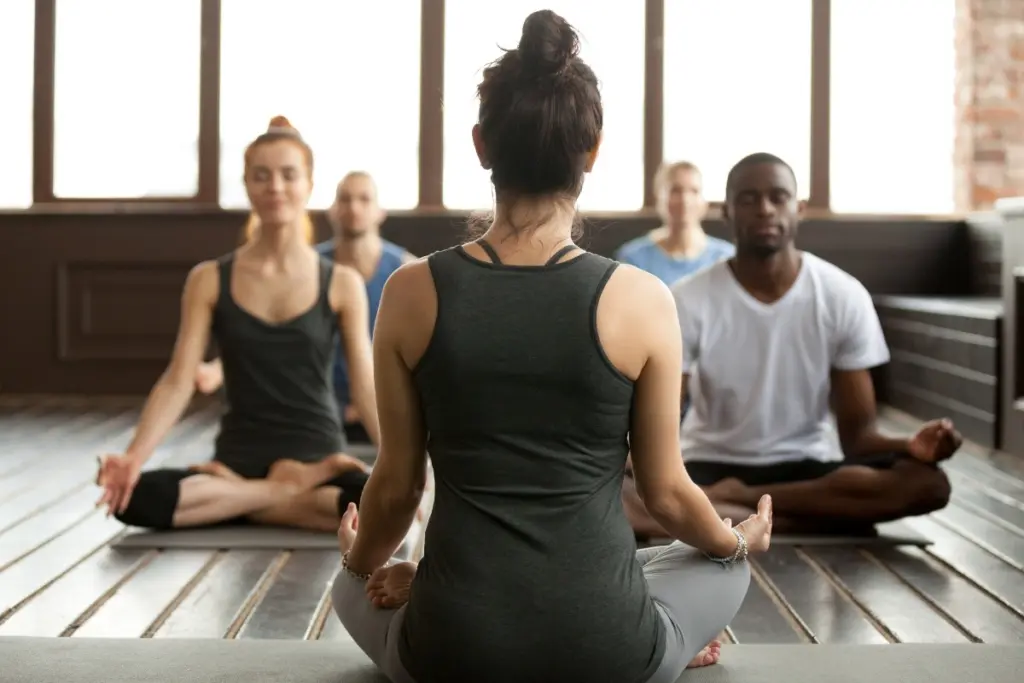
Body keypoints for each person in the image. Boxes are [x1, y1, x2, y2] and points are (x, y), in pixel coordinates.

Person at [327, 11, 773, 683]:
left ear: (481, 145)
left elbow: (395, 487)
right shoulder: (644, 297)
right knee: (716, 564)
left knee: (346, 581)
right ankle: (676, 639)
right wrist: (738, 540)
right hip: (609, 651)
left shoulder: (410, 289)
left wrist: (358, 561)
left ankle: (427, 579)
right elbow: (667, 496)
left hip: (451, 654)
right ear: (592, 150)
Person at [627, 152, 959, 538]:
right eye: (749, 199)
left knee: (928, 485)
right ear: (727, 213)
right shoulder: (687, 298)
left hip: (804, 464)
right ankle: (797, 518)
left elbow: (859, 437)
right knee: (616, 488)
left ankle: (734, 507)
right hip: (708, 463)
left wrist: (910, 444)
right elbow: (660, 419)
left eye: (778, 197)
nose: (765, 209)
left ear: (798, 208)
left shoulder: (841, 295)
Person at [94, 116, 381, 533]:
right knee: (132, 499)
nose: (275, 187)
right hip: (236, 460)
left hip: (317, 456)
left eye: (288, 175)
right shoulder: (208, 279)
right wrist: (134, 457)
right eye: (261, 176)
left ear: (309, 184)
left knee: (379, 503)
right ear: (247, 184)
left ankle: (240, 502)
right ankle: (278, 496)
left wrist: (396, 468)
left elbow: (367, 387)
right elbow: (178, 380)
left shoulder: (342, 283)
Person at [196, 171, 415, 441]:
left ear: (380, 211)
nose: (354, 208)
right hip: (317, 402)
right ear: (333, 210)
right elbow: (271, 328)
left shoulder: (407, 270)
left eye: (364, 199)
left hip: (384, 401)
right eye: (345, 199)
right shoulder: (307, 267)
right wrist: (220, 368)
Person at [615, 161, 734, 286]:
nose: (685, 200)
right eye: (675, 191)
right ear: (658, 197)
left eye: (694, 191)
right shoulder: (634, 259)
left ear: (705, 201)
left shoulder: (727, 258)